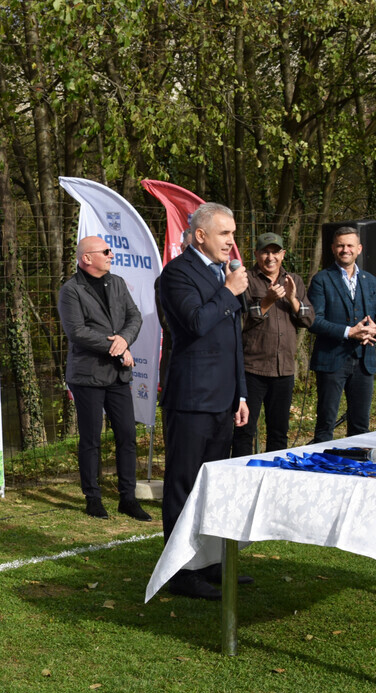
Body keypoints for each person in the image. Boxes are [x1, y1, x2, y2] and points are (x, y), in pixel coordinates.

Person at [158, 202, 252, 600]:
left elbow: (233, 341)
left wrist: (241, 392)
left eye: (233, 234)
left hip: (224, 399)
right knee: (184, 485)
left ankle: (210, 561)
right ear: (200, 235)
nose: (231, 242)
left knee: (214, 487)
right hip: (192, 399)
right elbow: (196, 323)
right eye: (224, 233)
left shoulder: (222, 273)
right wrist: (230, 291)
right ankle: (181, 571)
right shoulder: (177, 274)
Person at [57, 235, 150, 521]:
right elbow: (77, 332)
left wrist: (124, 339)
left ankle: (127, 498)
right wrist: (117, 347)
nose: (111, 255)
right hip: (87, 375)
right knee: (91, 439)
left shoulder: (117, 283)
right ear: (87, 258)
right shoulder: (70, 290)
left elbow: (134, 317)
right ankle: (93, 498)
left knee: (127, 435)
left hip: (117, 375)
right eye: (106, 251)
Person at [231, 232, 314, 456]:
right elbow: (239, 322)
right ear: (256, 254)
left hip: (283, 370)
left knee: (279, 432)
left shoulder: (293, 280)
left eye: (275, 252)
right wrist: (267, 302)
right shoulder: (245, 280)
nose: (270, 257)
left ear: (283, 254)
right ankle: (242, 473)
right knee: (244, 431)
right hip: (253, 369)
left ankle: (275, 474)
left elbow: (308, 320)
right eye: (265, 252)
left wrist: (293, 299)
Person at [308, 226, 376, 443]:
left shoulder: (370, 280)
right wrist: (349, 332)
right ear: (333, 248)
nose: (345, 250)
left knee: (361, 426)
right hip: (331, 360)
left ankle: (357, 462)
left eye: (350, 245)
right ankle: (323, 464)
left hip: (364, 361)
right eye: (340, 245)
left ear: (359, 249)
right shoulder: (321, 280)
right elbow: (314, 321)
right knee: (325, 424)